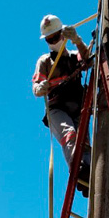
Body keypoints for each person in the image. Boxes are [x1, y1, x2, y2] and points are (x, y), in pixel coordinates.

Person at [32, 14, 92, 196]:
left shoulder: (74, 57)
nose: (52, 41)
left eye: (54, 37)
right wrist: (40, 88)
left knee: (85, 141)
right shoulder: (45, 61)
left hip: (78, 106)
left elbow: (89, 61)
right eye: (48, 39)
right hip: (57, 108)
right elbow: (35, 88)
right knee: (70, 134)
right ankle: (78, 168)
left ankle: (88, 175)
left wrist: (77, 40)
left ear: (62, 35)